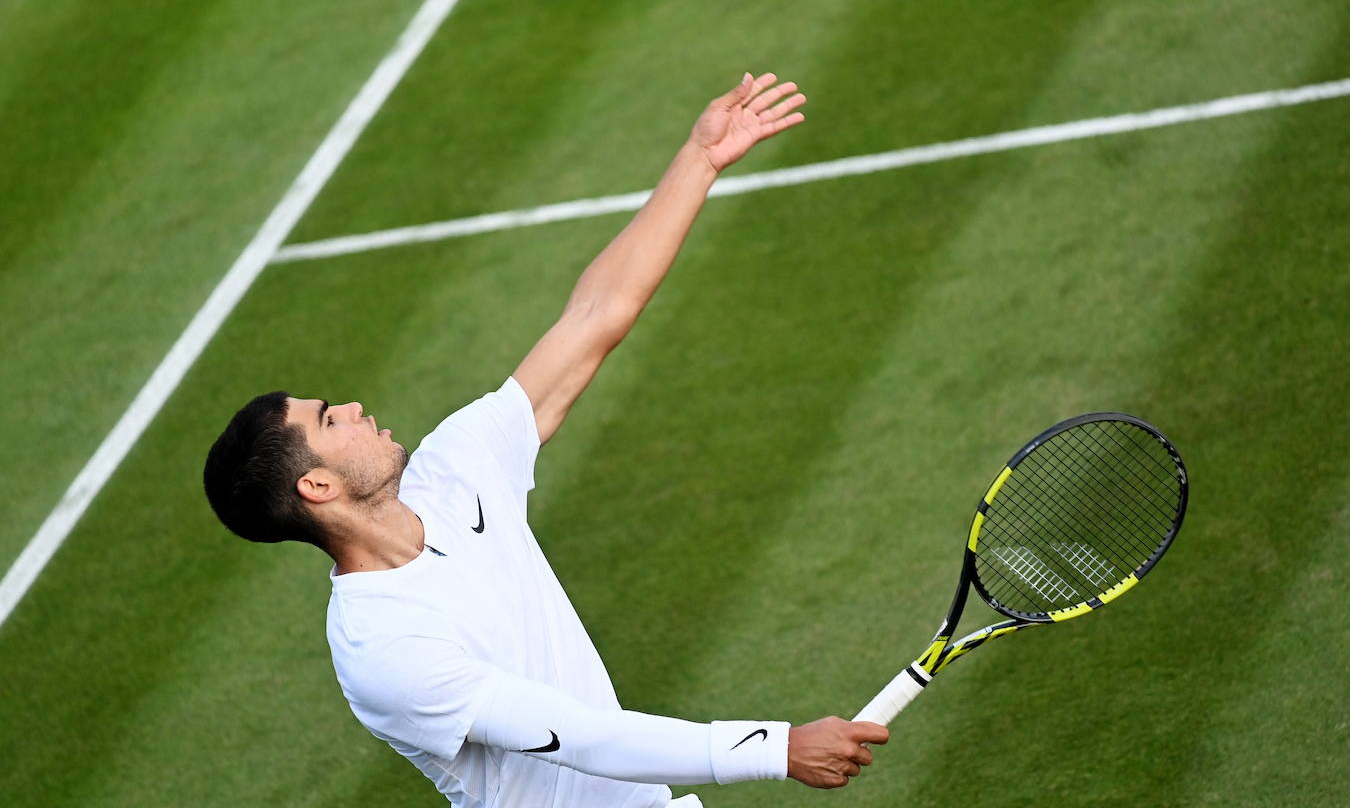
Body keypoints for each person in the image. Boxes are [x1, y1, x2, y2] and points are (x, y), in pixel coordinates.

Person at [203, 73, 889, 807]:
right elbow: (580, 734)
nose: (357, 407)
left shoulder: (455, 467)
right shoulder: (383, 646)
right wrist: (774, 747)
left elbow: (595, 314)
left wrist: (699, 158)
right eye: (330, 418)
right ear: (317, 485)